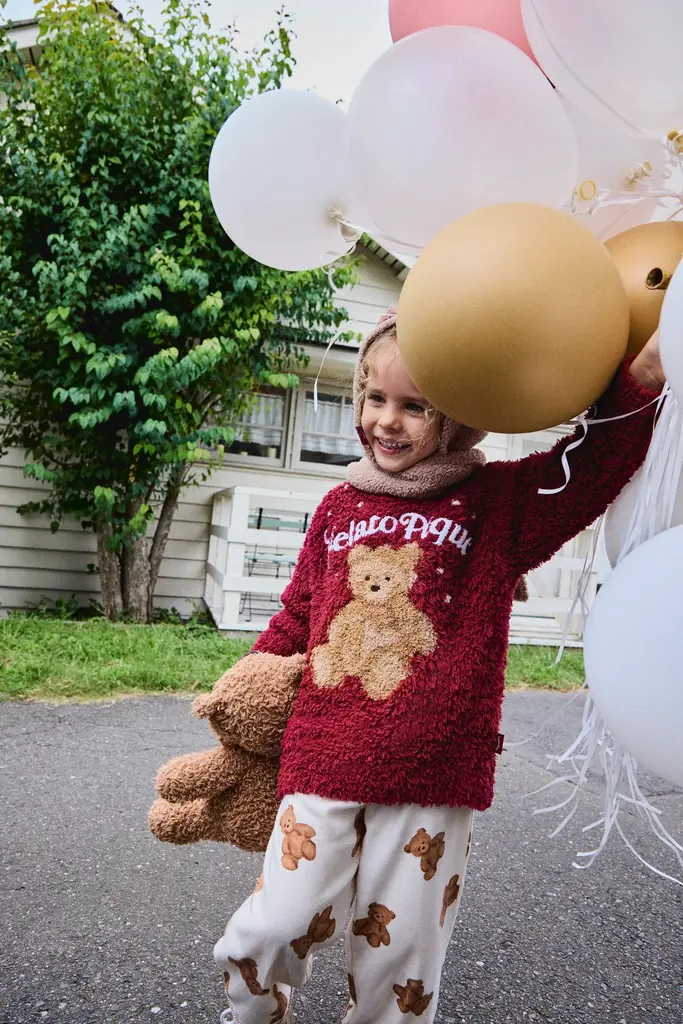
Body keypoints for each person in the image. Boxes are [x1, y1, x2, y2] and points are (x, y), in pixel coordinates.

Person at [214, 309, 664, 1024]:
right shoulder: (336, 507)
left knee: (399, 969)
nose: (386, 421)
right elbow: (301, 612)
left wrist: (637, 383)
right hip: (321, 756)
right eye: (374, 398)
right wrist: (245, 690)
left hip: (433, 771)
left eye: (414, 406)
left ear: (457, 416)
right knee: (270, 926)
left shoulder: (496, 504)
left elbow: (585, 471)